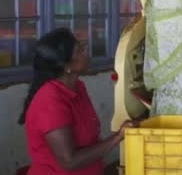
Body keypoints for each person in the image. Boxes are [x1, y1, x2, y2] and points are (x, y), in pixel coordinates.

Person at [19, 28, 138, 174]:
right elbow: (70, 161)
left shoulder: (78, 87)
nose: (86, 52)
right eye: (80, 50)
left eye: (83, 47)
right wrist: (118, 136)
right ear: (67, 66)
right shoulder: (50, 101)